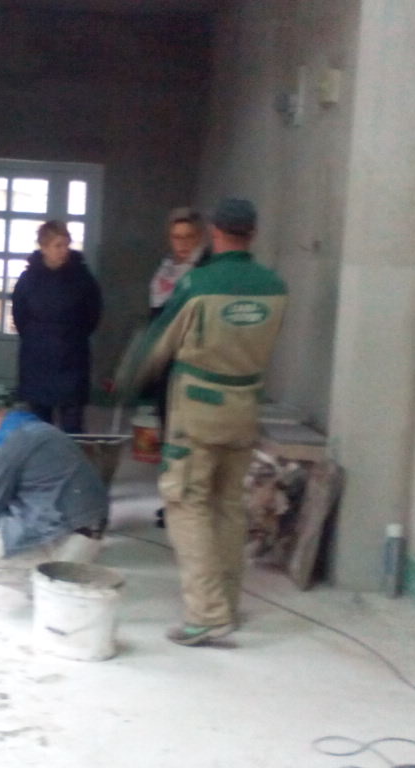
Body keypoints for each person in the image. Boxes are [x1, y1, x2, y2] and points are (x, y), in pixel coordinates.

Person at [119, 198, 287, 646]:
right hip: (245, 408)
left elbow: (159, 343)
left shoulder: (199, 284)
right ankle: (226, 605)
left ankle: (207, 616)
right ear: (253, 233)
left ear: (214, 232)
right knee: (229, 504)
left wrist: (130, 378)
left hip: (198, 411)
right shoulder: (274, 286)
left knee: (186, 502)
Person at [0, 384, 108, 582]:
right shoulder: (43, 429)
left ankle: (39, 574)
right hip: (91, 529)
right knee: (8, 517)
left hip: (63, 538)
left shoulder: (4, 445)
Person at [146, 208, 208, 527]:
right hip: (166, 365)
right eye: (176, 237)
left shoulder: (206, 272)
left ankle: (188, 504)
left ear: (200, 237)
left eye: (188, 237)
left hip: (193, 365)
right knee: (169, 435)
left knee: (191, 440)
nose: (181, 244)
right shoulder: (166, 270)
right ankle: (171, 501)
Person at [10, 220, 102, 434]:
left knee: (73, 426)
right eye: (57, 246)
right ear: (43, 247)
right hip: (37, 359)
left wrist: (74, 335)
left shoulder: (82, 278)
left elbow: (93, 312)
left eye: (66, 245)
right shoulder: (29, 279)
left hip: (73, 358)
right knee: (39, 426)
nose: (63, 251)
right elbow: (19, 314)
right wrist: (37, 337)